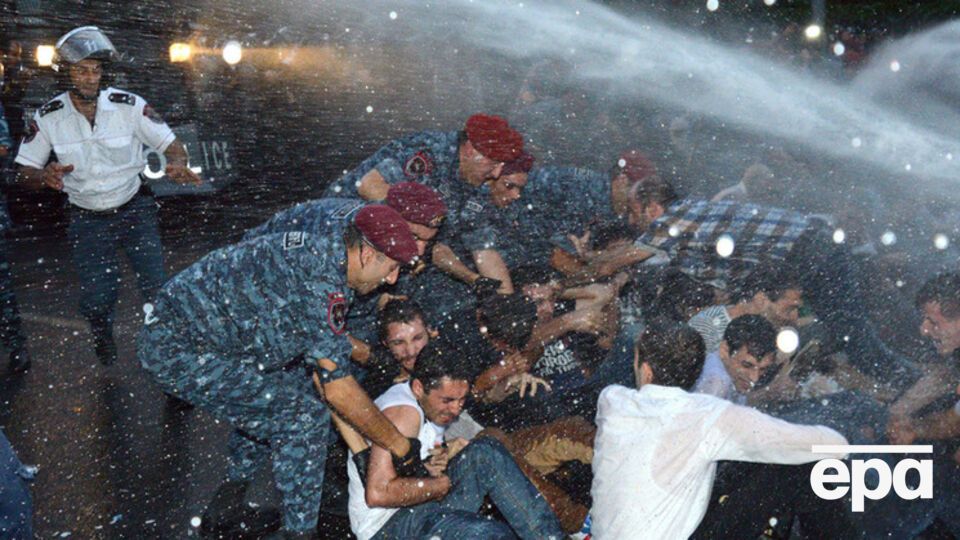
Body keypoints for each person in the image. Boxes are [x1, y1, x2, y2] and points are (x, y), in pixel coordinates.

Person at [138, 205, 425, 538]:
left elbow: (324, 364)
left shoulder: (332, 252)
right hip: (178, 349)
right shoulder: (322, 280)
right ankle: (300, 533)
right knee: (301, 419)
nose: (392, 279)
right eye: (390, 268)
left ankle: (225, 510)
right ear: (365, 253)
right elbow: (337, 389)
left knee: (278, 393)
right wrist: (400, 446)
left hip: (221, 339)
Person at [569, 174, 914, 384]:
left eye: (633, 212)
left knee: (849, 330)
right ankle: (900, 376)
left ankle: (905, 379)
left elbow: (618, 261)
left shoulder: (677, 217)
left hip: (811, 251)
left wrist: (585, 261)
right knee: (848, 331)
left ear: (653, 207)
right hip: (811, 251)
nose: (632, 221)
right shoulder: (692, 239)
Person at [14, 26, 201, 365]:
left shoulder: (128, 105)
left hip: (135, 210)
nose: (90, 78)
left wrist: (177, 162)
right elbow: (23, 170)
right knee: (99, 298)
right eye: (81, 70)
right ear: (65, 75)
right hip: (87, 219)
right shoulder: (48, 117)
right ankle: (101, 329)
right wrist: (42, 175)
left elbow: (172, 144)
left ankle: (171, 363)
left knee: (157, 291)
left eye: (96, 70)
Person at [590, 319, 848, 539]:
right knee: (812, 469)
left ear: (644, 369)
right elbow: (830, 445)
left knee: (752, 462)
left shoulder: (612, 400)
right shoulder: (708, 414)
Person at [346, 342, 564, 540]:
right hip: (387, 529)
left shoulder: (430, 404)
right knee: (487, 535)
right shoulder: (404, 414)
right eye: (448, 400)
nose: (456, 409)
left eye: (462, 400)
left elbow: (411, 462)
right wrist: (437, 485)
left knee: (486, 452)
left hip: (421, 507)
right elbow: (377, 493)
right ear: (419, 388)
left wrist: (436, 462)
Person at [688, 263, 803, 352]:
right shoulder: (708, 327)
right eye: (789, 309)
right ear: (761, 300)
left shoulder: (772, 335)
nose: (794, 317)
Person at [693, 314, 777, 405]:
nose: (754, 378)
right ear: (724, 351)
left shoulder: (727, 375)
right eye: (746, 365)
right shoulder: (716, 383)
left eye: (762, 369)